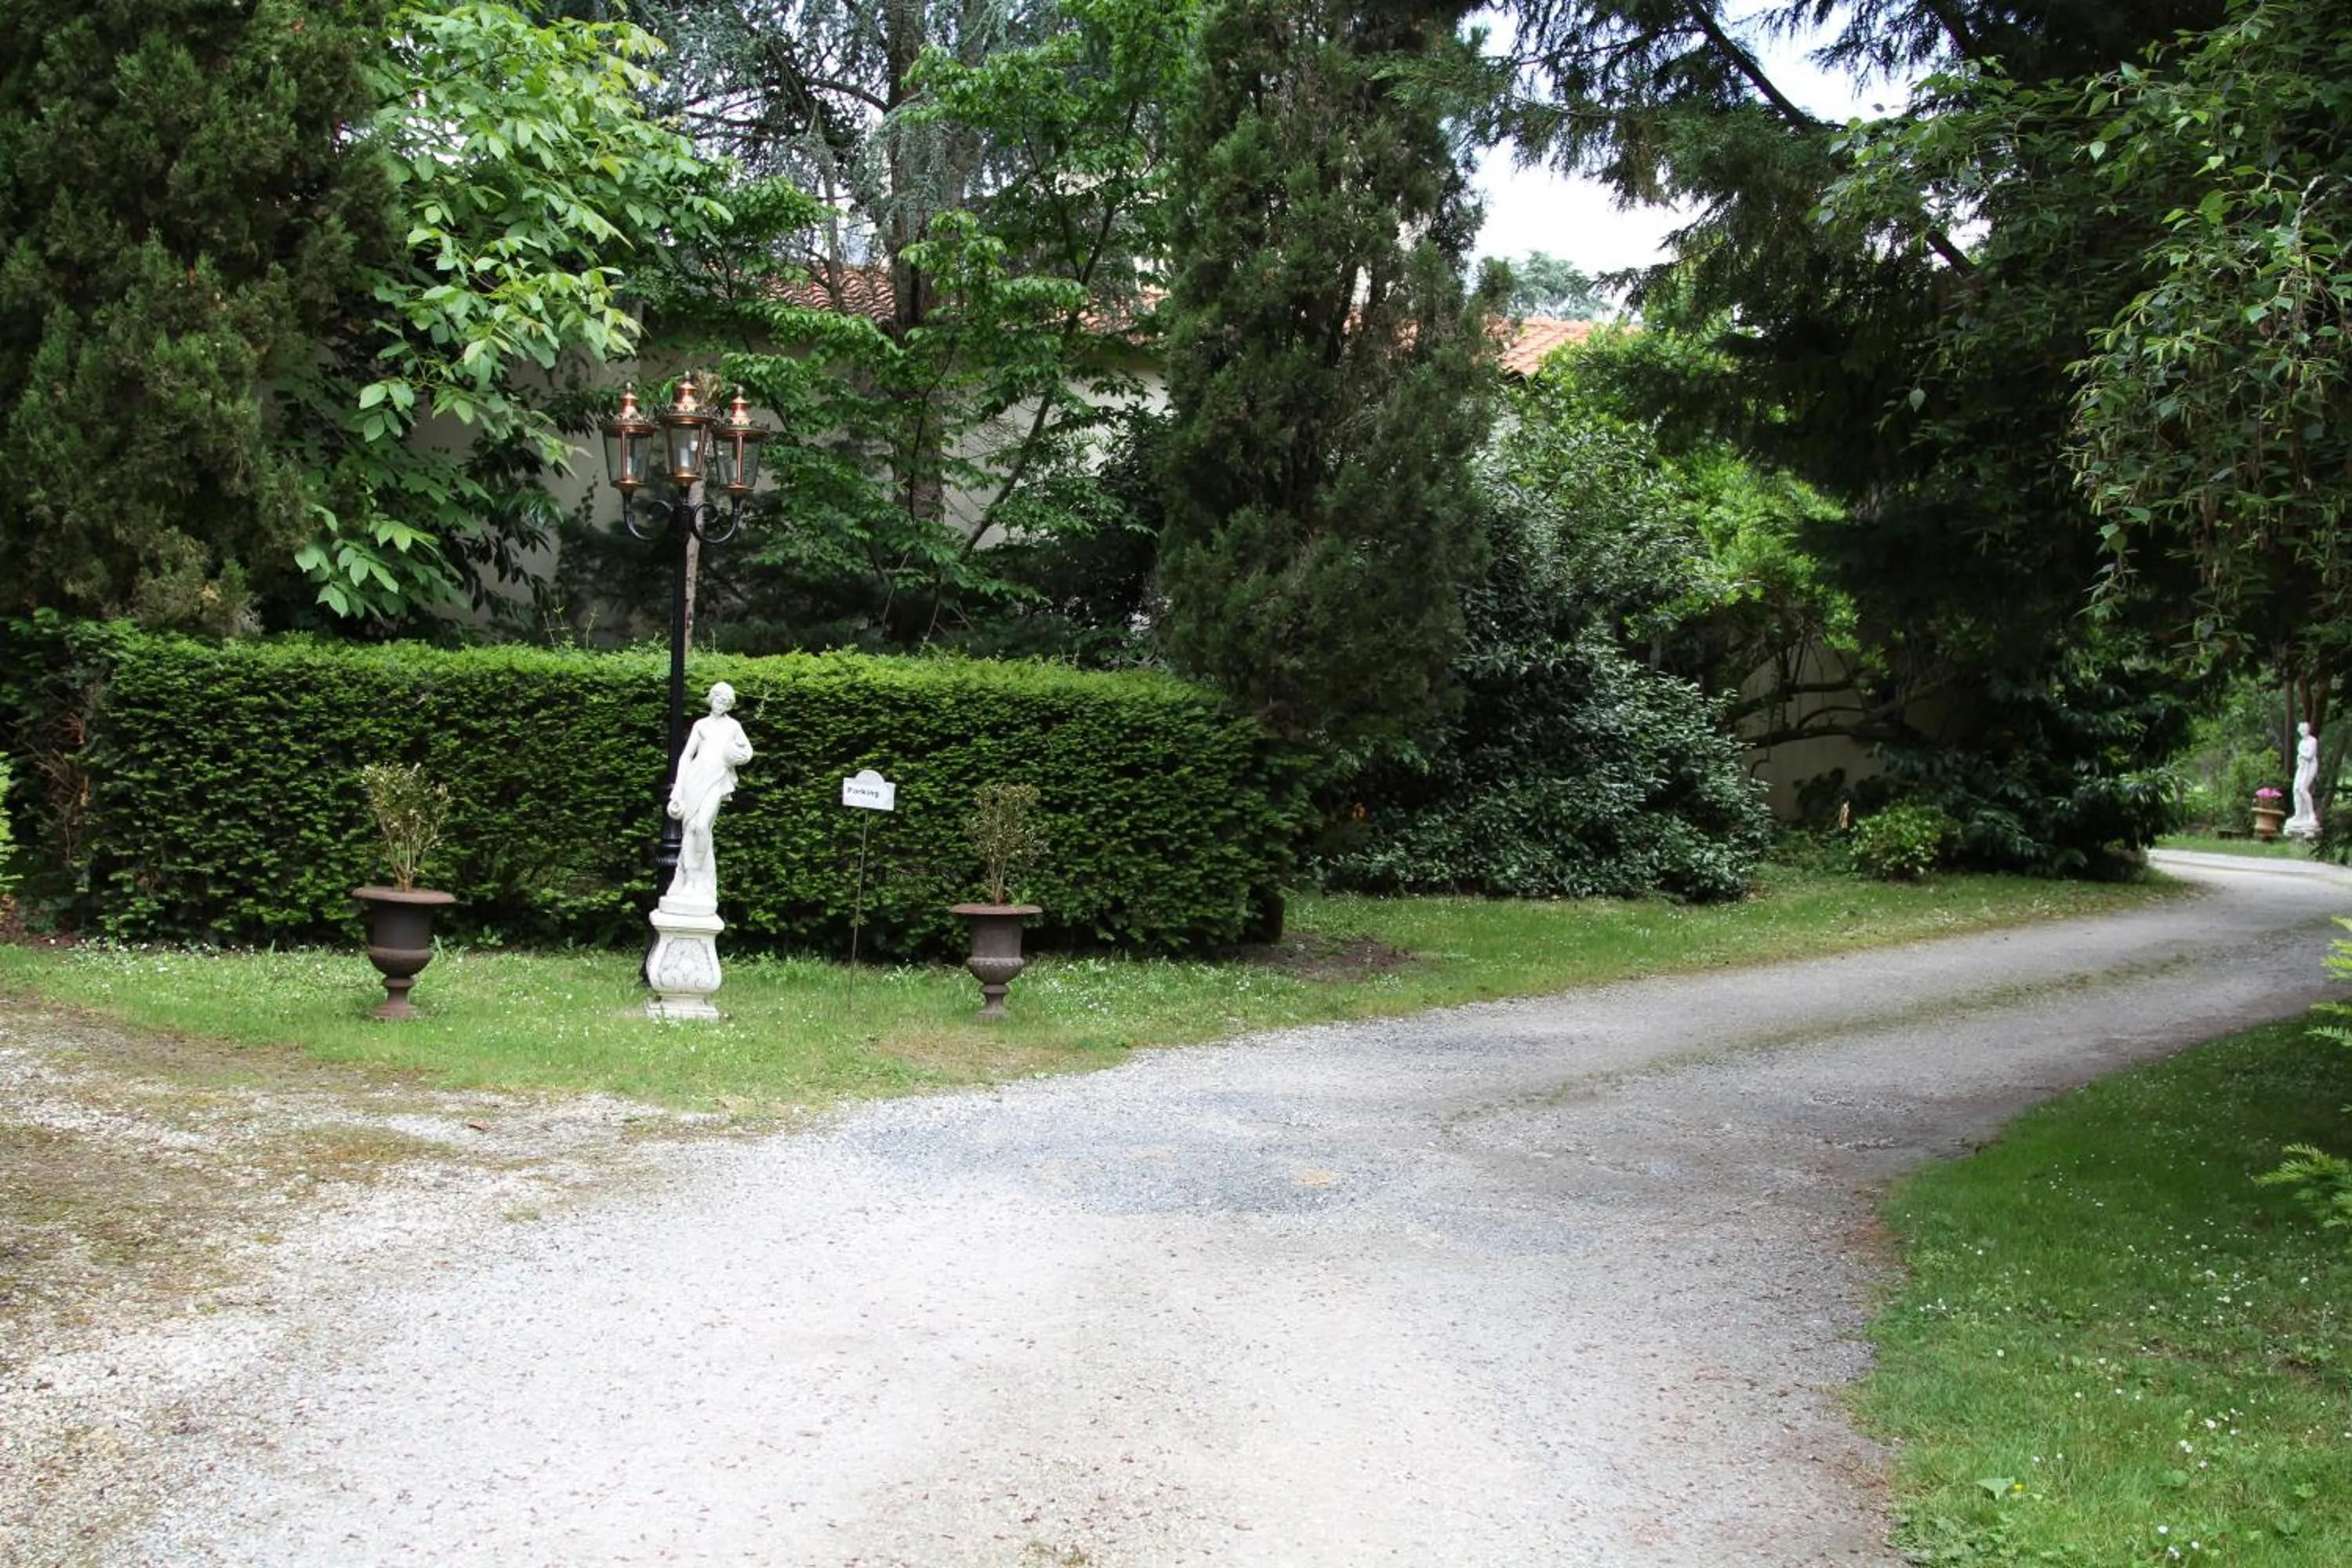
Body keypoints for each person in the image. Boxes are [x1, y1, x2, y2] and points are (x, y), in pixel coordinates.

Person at [663, 682, 754, 909]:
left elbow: (748, 752)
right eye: (718, 699)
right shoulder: (701, 725)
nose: (720, 704)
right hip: (695, 779)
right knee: (690, 829)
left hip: (717, 780)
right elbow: (686, 757)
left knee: (702, 826)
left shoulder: (733, 726)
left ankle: (695, 880)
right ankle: (688, 881)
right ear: (711, 698)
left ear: (729, 705)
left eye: (726, 702)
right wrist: (678, 790)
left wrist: (739, 756)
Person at [2288, 720, 2322, 837]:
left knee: (2303, 789)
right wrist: (2300, 756)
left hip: (2311, 766)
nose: (2302, 732)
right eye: (2300, 731)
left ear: (2307, 730)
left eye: (2304, 730)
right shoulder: (2301, 743)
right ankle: (2299, 815)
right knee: (2296, 789)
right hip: (2302, 767)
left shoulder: (2313, 741)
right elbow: (2300, 757)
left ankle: (2311, 814)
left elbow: (2309, 755)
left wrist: (2301, 753)